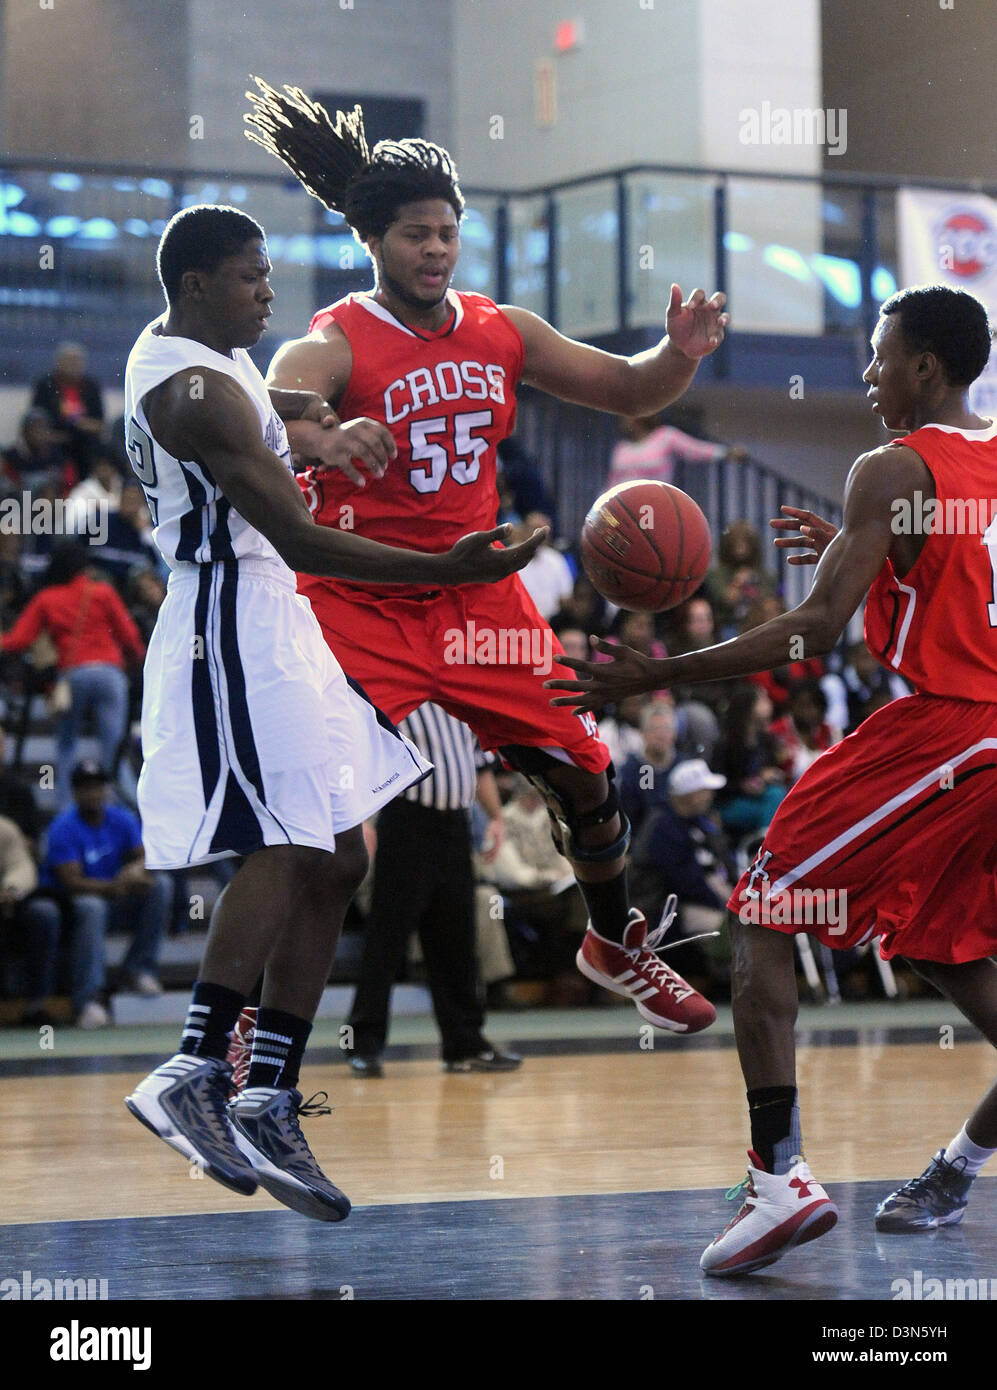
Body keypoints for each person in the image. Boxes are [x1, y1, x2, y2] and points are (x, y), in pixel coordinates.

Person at [246, 83, 728, 1036]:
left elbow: (628, 383)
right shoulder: (337, 337)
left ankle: (611, 941)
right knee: (316, 826)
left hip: (477, 597)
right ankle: (239, 1028)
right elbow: (275, 405)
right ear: (374, 241)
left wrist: (679, 356)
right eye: (415, 233)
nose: (434, 248)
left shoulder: (500, 328)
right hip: (358, 594)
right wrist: (324, 434)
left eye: (447, 230)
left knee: (585, 779)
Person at [547, 284, 997, 1274]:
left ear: (926, 365)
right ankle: (957, 1167)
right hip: (982, 741)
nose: (869, 373)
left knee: (763, 913)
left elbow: (809, 631)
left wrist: (650, 670)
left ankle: (777, 1177)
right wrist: (870, 559)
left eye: (881, 356)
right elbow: (962, 571)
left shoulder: (891, 467)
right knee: (945, 945)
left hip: (950, 729)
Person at [120, 203, 544, 1218]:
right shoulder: (191, 392)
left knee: (343, 855)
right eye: (251, 276)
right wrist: (443, 565)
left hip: (277, 620)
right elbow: (304, 541)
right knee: (280, 841)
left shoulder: (197, 361)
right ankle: (192, 1070)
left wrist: (316, 431)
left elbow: (260, 416)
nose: (270, 290)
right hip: (231, 619)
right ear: (196, 284)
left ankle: (267, 1092)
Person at [346, 701, 520, 1076]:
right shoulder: (401, 695)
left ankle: (465, 1044)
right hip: (406, 824)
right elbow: (367, 756)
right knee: (387, 939)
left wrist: (496, 817)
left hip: (455, 828)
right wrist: (366, 820)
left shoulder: (461, 701)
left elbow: (478, 766)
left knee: (458, 939)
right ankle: (365, 1044)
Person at [0, 540, 146, 809]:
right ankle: (129, 814)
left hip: (73, 676)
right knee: (112, 753)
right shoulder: (102, 592)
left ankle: (66, 811)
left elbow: (18, 641)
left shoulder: (48, 597)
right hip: (109, 674)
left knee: (66, 747)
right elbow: (130, 636)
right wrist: (135, 663)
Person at [39, 760, 170, 1027]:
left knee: (161, 885)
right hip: (72, 913)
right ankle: (90, 998)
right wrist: (116, 886)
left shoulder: (121, 818)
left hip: (114, 901)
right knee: (91, 906)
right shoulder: (63, 827)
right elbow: (72, 882)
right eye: (86, 788)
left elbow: (149, 857)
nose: (93, 794)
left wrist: (135, 870)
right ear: (75, 793)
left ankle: (138, 969)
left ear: (107, 789)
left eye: (98, 787)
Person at [31, 342, 105, 479]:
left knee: (97, 451)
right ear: (58, 362)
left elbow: (100, 423)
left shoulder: (91, 386)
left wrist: (81, 423)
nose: (74, 365)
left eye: (77, 361)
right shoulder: (45, 385)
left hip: (83, 440)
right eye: (69, 360)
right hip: (53, 439)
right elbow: (35, 420)